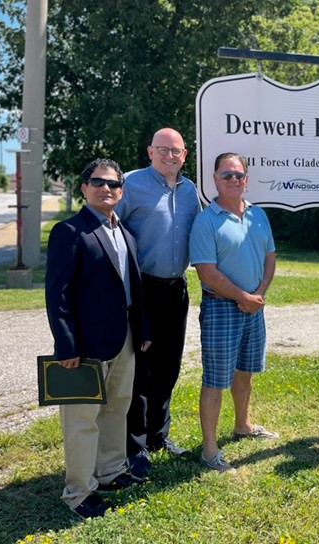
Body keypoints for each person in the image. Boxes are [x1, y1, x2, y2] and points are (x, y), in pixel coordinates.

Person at [45, 158, 150, 519]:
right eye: (98, 182)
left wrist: (144, 331)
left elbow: (134, 288)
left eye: (114, 184)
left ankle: (110, 471)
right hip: (85, 346)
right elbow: (57, 295)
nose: (107, 189)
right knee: (82, 419)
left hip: (125, 338)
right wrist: (66, 345)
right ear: (84, 187)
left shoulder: (126, 234)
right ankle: (79, 491)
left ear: (122, 191)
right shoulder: (70, 231)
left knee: (117, 408)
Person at [114, 127, 202, 479]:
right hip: (141, 290)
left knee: (168, 366)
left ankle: (157, 437)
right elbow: (108, 228)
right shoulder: (130, 184)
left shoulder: (190, 190)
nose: (169, 156)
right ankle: (132, 448)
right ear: (150, 151)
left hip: (175, 289)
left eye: (176, 151)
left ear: (184, 155)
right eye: (162, 149)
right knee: (140, 371)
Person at [189, 152, 277, 474]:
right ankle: (210, 450)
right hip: (221, 309)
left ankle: (243, 425)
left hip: (254, 308)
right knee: (215, 380)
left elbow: (270, 257)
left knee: (245, 372)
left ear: (246, 180)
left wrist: (258, 296)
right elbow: (206, 273)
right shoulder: (206, 220)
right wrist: (243, 297)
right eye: (227, 175)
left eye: (239, 175)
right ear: (215, 179)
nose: (234, 180)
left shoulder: (258, 215)